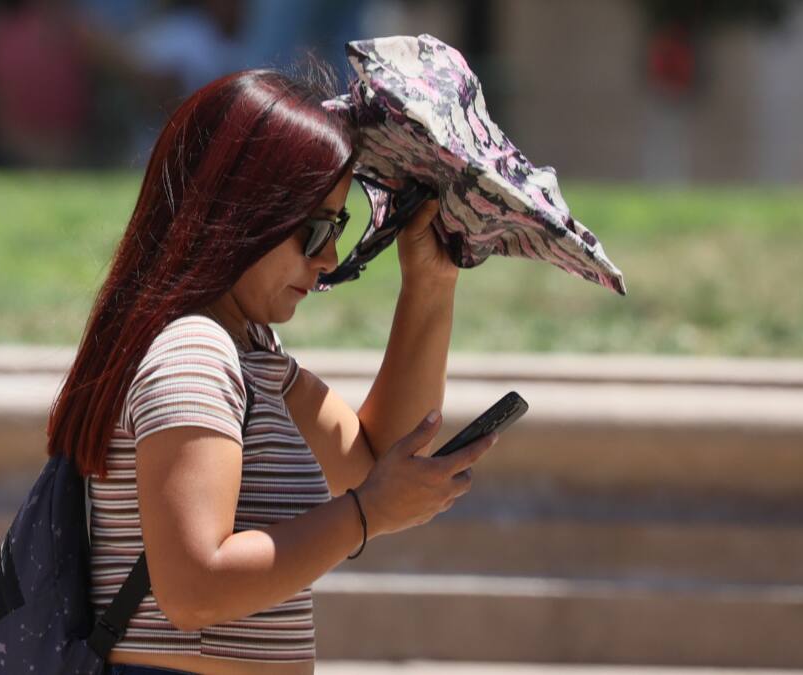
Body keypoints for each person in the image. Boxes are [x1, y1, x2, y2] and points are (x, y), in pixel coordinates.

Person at [46, 65, 498, 675]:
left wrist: (430, 283)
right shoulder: (194, 355)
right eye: (313, 230)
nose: (331, 257)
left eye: (338, 226)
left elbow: (373, 456)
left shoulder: (249, 350)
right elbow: (192, 587)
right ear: (237, 213)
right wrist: (364, 515)